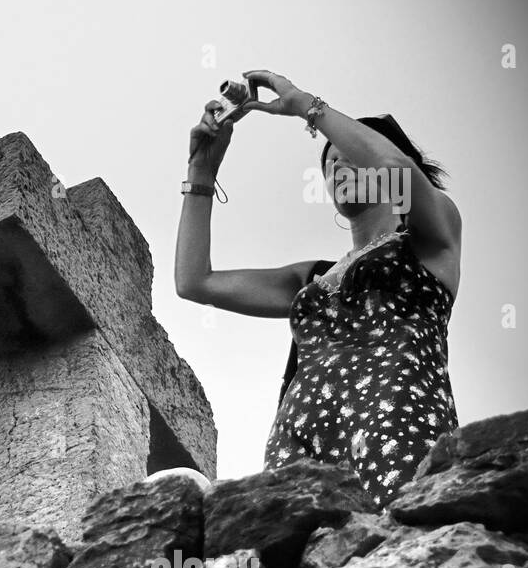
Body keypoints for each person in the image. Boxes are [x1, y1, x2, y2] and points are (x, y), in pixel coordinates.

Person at [174, 69, 461, 507]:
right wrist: (201, 168)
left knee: (395, 551)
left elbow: (394, 165)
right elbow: (195, 281)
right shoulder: (312, 277)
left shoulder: (429, 241)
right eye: (328, 163)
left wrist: (304, 104)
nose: (337, 164)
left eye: (348, 151)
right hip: (300, 449)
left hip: (396, 429)